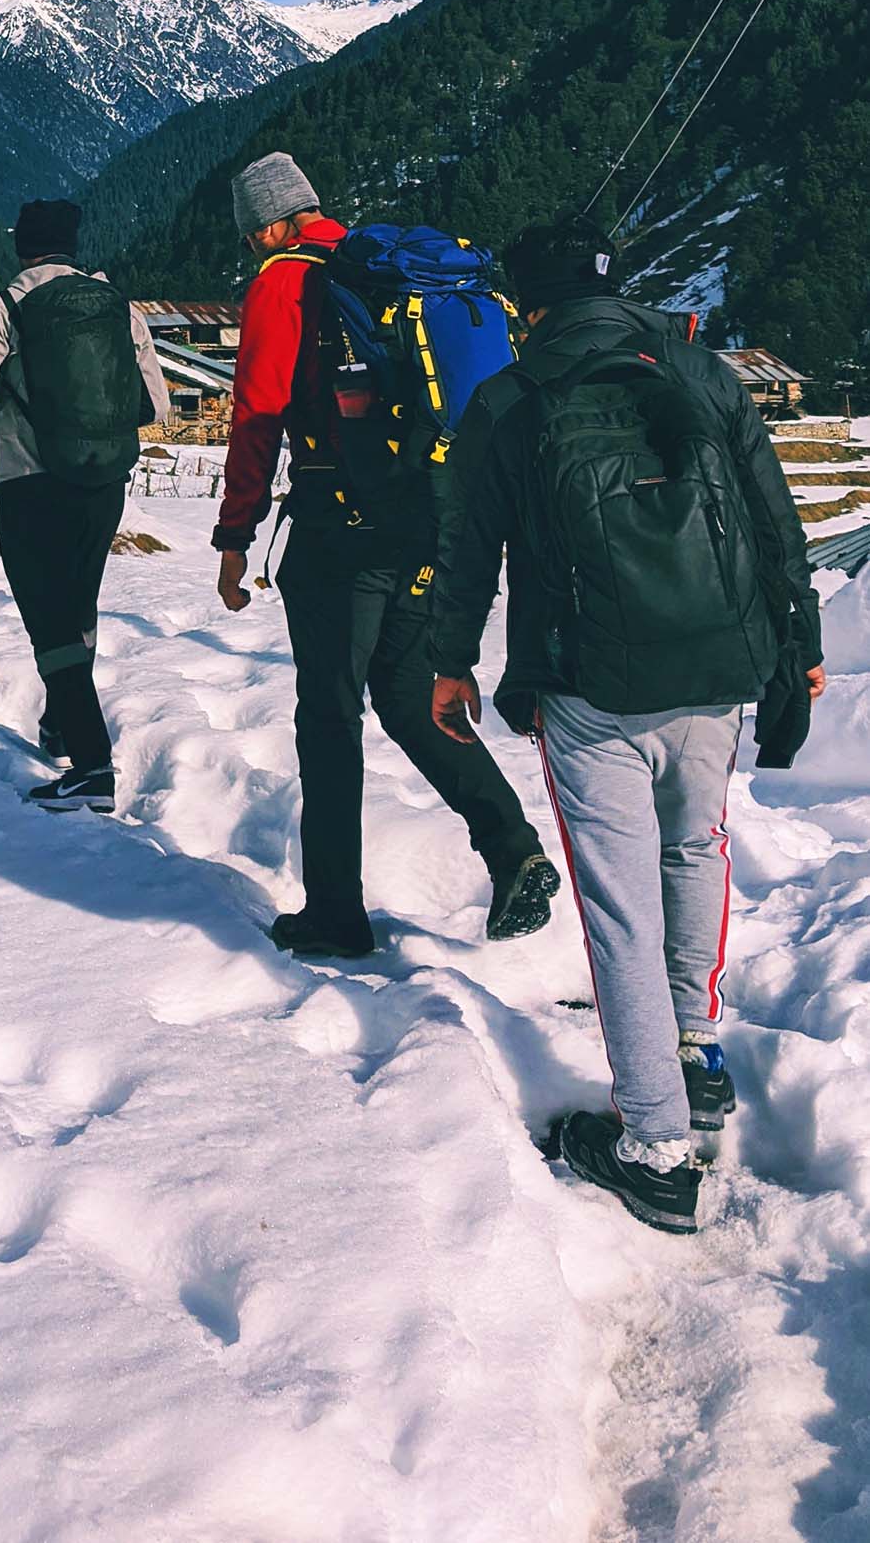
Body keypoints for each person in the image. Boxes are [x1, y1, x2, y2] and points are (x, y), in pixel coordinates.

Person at [429, 222, 826, 1235]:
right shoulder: (699, 372)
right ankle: (691, 1055)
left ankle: (651, 1147)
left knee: (617, 904)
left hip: (588, 682)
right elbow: (772, 517)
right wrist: (799, 639)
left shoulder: (508, 402)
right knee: (695, 849)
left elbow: (467, 546)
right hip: (715, 662)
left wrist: (447, 660)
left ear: (527, 305)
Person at [213, 152, 555, 957]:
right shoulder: (391, 273)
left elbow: (258, 412)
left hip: (341, 530)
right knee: (407, 698)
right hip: (430, 522)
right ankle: (511, 848)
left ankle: (335, 910)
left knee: (329, 716)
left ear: (267, 224)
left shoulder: (282, 282)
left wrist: (235, 535)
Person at [0, 199, 168, 812]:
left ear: (23, 247)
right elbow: (156, 405)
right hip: (102, 482)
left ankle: (93, 766)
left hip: (30, 480)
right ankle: (60, 725)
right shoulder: (117, 306)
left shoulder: (7, 304)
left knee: (49, 619)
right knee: (76, 607)